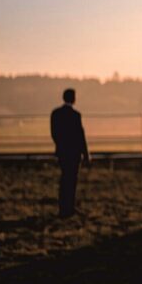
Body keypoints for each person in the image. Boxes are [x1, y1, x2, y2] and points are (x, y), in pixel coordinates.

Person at [50, 88, 90, 218]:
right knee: (72, 180)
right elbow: (80, 136)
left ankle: (63, 208)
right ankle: (69, 208)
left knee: (64, 178)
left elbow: (54, 134)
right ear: (73, 99)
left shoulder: (55, 114)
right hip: (74, 153)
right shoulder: (76, 115)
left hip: (62, 152)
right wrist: (86, 154)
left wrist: (60, 146)